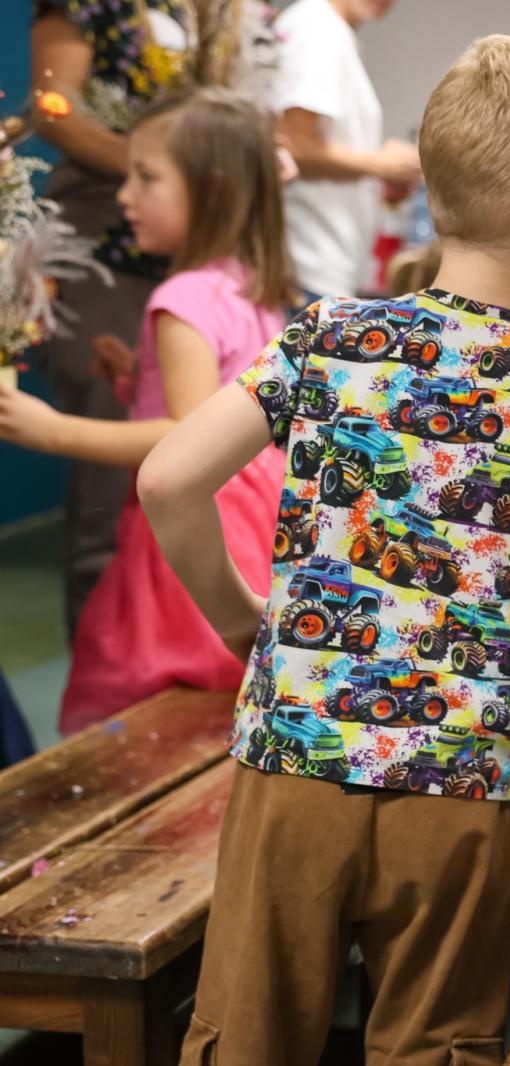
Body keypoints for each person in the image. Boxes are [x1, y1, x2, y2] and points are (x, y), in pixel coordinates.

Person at [135, 36, 510, 1063]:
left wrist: (248, 622)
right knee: (436, 1045)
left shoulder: (325, 340)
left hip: (293, 761)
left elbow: (167, 479)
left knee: (244, 1034)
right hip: (459, 786)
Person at [0, 88, 292, 735]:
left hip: (191, 529)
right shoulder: (245, 280)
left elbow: (183, 437)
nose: (125, 194)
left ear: (208, 187)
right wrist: (138, 377)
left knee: (153, 695)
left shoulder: (182, 297)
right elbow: (228, 392)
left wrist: (53, 431)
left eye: (147, 177)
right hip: (255, 519)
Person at [28, 0, 193, 632]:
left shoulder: (199, 14)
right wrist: (153, 168)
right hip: (104, 255)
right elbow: (54, 106)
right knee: (104, 504)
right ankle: (104, 689)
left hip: (176, 248)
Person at [273, 0, 421, 299]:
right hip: (306, 264)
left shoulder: (331, 32)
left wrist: (377, 178)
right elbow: (293, 143)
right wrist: (378, 165)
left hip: (321, 266)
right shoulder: (317, 26)